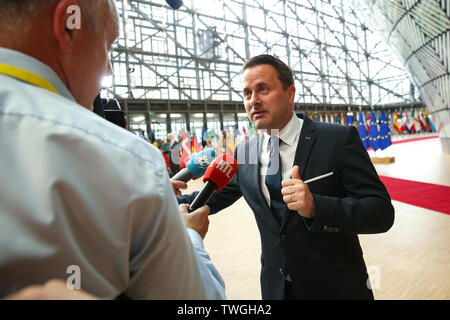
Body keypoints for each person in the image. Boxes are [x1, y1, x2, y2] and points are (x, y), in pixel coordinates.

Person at [0, 0, 224, 299]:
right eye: (107, 45)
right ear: (68, 25)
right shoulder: (128, 160)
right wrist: (189, 236)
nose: (108, 66)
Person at [178, 54, 395, 299]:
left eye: (263, 89)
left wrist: (317, 206)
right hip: (276, 290)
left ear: (290, 93)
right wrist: (162, 197)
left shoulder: (338, 139)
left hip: (336, 289)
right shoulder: (245, 152)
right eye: (247, 93)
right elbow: (210, 196)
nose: (254, 100)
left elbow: (381, 212)